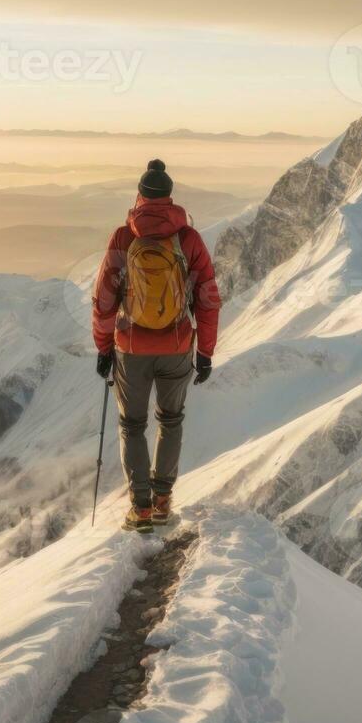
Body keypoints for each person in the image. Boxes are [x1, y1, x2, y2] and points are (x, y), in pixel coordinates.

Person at [92, 159, 220, 533]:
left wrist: (103, 348)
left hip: (130, 348)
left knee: (132, 425)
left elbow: (103, 301)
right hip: (177, 345)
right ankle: (163, 500)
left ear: (140, 196)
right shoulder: (189, 240)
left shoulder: (122, 238)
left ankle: (141, 508)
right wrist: (205, 352)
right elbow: (209, 299)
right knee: (171, 420)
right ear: (169, 198)